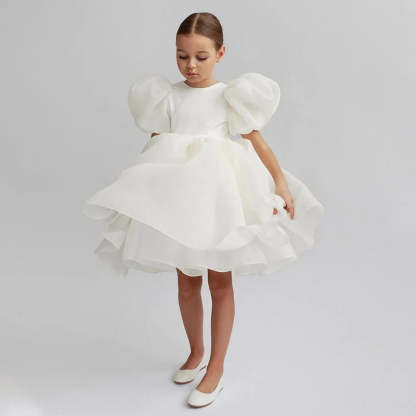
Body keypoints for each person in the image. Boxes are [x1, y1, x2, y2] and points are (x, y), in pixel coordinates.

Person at [82, 12, 324, 408]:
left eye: (201, 57)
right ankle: (196, 352)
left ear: (221, 53)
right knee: (186, 281)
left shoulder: (229, 97)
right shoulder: (167, 96)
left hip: (219, 197)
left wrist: (279, 182)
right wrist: (145, 191)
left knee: (220, 282)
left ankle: (217, 366)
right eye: (182, 56)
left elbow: (256, 141)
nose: (190, 66)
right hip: (182, 198)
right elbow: (159, 146)